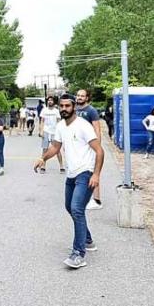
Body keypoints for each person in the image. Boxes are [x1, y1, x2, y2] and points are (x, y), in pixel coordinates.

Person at [34, 93, 104, 269]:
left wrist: (96, 175)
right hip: (71, 174)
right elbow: (55, 147)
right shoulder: (60, 126)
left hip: (86, 172)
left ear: (74, 106)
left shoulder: (83, 126)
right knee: (69, 207)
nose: (64, 109)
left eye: (67, 106)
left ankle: (78, 253)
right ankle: (87, 239)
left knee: (76, 209)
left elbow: (99, 151)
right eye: (62, 106)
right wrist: (43, 158)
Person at [75, 89, 103, 210]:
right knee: (79, 171)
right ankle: (82, 197)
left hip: (90, 146)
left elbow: (97, 128)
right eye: (78, 95)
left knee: (93, 172)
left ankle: (96, 200)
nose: (79, 97)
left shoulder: (91, 111)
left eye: (82, 96)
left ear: (87, 98)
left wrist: (97, 146)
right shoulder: (75, 110)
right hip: (78, 147)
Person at [38, 96, 64, 174]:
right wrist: (41, 131)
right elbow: (42, 121)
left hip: (54, 132)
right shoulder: (44, 110)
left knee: (57, 150)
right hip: (46, 131)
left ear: (53, 102)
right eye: (48, 100)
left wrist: (60, 132)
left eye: (51, 100)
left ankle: (61, 166)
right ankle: (43, 166)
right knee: (45, 149)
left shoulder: (56, 111)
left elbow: (59, 122)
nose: (50, 101)